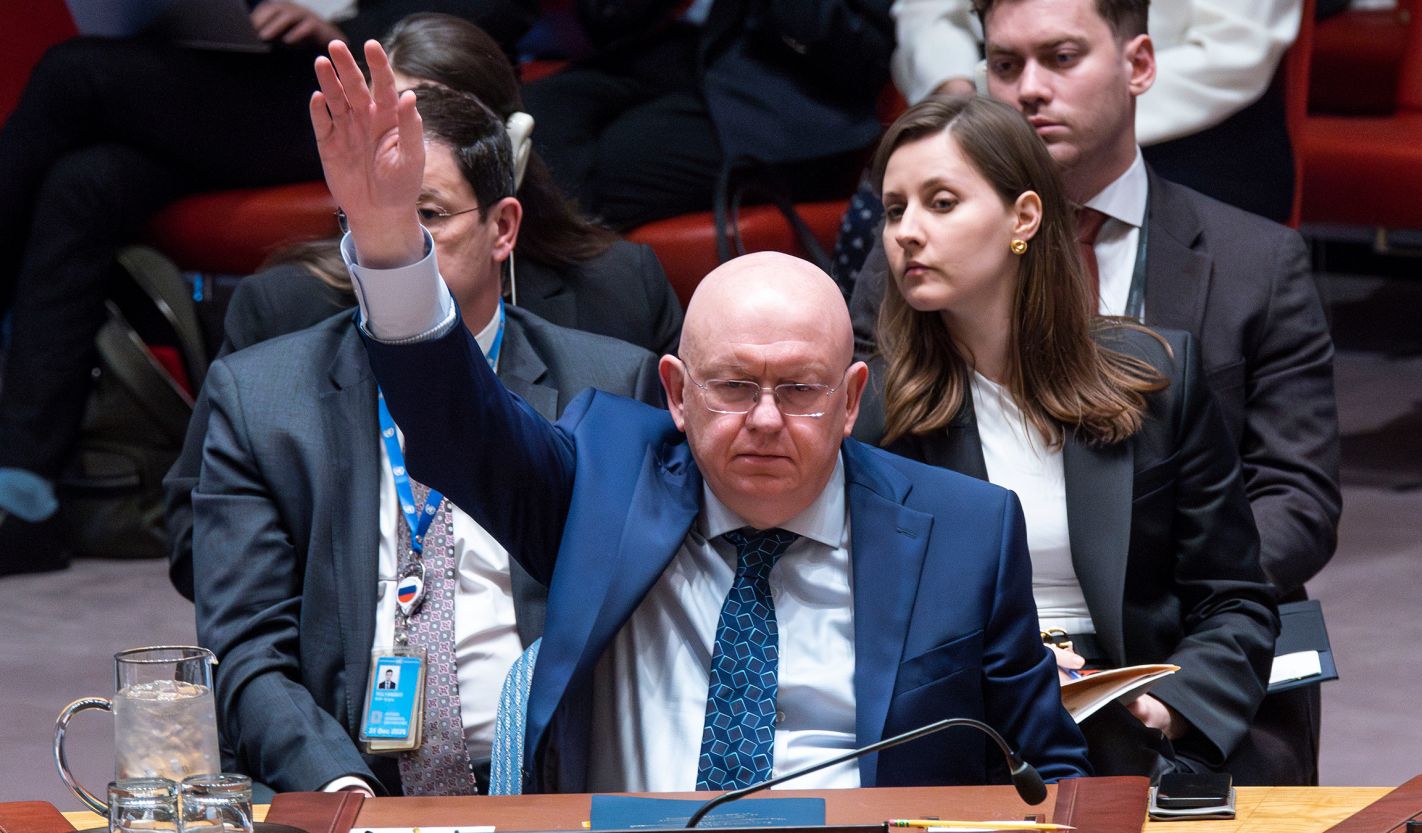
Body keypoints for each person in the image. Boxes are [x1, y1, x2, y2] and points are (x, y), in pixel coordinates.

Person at [316, 39, 1091, 792]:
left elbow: (1047, 776)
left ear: (852, 399)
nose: (762, 419)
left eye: (797, 389)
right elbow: (455, 425)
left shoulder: (966, 533)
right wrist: (387, 240)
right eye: (731, 386)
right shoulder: (604, 485)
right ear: (676, 393)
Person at [852, 0, 1338, 785]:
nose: (1029, 90)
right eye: (1004, 66)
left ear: (1140, 65)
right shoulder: (910, 288)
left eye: (1061, 58)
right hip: (981, 680)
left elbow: (1296, 499)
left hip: (1172, 639)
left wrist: (1146, 591)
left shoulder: (1256, 266)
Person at [181, 84, 663, 796]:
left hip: (544, 786)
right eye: (371, 217)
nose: (396, 239)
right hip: (345, 779)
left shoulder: (610, 385)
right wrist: (338, 790)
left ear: (504, 228)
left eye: (426, 214)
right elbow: (247, 649)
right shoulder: (261, 398)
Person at [0, 2, 539, 575]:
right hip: (245, 62)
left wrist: (352, 33)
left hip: (351, 70)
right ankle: (24, 486)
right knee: (82, 185)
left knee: (71, 73)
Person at [162, 12, 682, 602]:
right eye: (383, 133)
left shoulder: (617, 294)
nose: (402, 160)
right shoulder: (287, 306)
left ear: (509, 153)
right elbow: (201, 539)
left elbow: (677, 513)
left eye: (437, 128)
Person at [889, 0, 1302, 221]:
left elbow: (1236, 48)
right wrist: (966, 94)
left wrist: (1084, 104)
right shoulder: (1016, 87)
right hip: (999, 103)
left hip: (1193, 133)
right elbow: (930, 15)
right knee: (907, 206)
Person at [519, 0, 894, 229]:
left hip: (791, 95)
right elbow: (602, 17)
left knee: (611, 163)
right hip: (675, 52)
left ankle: (572, 323)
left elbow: (861, 56)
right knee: (534, 114)